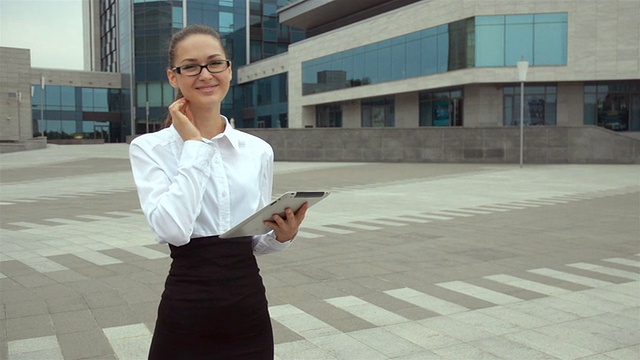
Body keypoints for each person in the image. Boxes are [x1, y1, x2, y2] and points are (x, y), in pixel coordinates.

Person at [128, 24, 308, 360]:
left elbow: (255, 243)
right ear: (173, 77)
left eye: (215, 63)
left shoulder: (257, 150)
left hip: (248, 308)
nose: (205, 75)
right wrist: (195, 146)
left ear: (228, 70)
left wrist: (282, 235)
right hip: (187, 308)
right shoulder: (149, 148)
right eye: (191, 66)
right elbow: (172, 231)